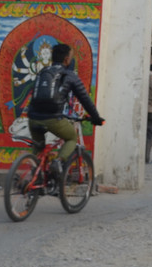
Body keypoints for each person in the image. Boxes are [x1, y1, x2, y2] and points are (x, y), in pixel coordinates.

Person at [27, 42, 105, 180]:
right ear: (67, 59)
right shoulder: (69, 76)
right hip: (53, 118)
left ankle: (33, 183)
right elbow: (85, 99)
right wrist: (96, 118)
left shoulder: (43, 72)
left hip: (33, 118)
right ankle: (58, 161)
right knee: (71, 138)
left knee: (39, 149)